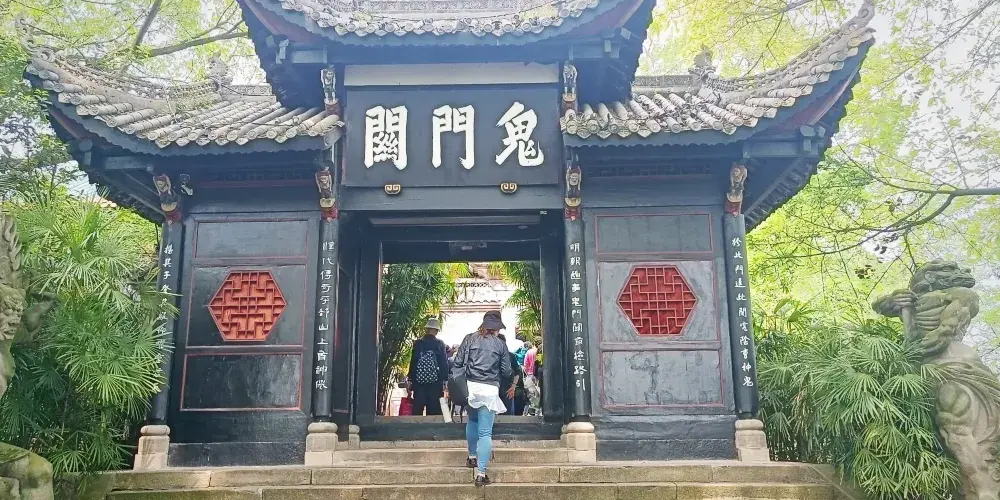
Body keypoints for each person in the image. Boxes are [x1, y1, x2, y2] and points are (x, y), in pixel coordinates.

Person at [452, 310, 512, 486]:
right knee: (485, 432)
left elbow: (458, 363)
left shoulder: (469, 339)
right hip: (489, 390)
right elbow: (507, 371)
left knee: (472, 420)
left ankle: (472, 457)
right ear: (497, 328)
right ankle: (481, 473)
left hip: (470, 388)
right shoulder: (500, 345)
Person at [407, 318, 449, 416]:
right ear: (436, 330)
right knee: (434, 411)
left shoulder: (418, 343)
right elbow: (443, 364)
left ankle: (416, 425)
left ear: (427, 329)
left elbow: (413, 362)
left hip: (419, 384)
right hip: (435, 384)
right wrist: (445, 381)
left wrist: (410, 379)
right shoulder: (439, 344)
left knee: (417, 411)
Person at [496, 333, 524, 416]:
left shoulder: (510, 356)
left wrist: (513, 387)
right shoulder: (509, 355)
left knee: (506, 414)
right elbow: (517, 372)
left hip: (506, 390)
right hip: (501, 389)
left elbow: (517, 372)